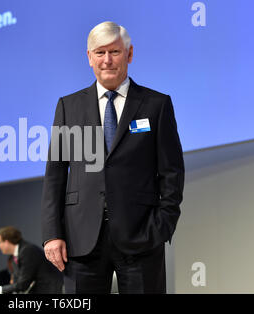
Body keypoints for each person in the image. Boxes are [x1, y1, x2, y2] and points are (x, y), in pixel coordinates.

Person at [41, 21, 184, 294]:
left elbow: (172, 173)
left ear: (129, 54)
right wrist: (52, 234)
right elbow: (55, 175)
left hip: (141, 237)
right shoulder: (68, 107)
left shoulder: (157, 105)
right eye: (100, 53)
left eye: (115, 52)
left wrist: (162, 225)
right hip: (79, 240)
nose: (107, 60)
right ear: (89, 57)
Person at [0, 226, 63, 294]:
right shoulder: (13, 257)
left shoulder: (28, 251)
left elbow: (22, 284)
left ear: (6, 242)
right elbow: (17, 284)